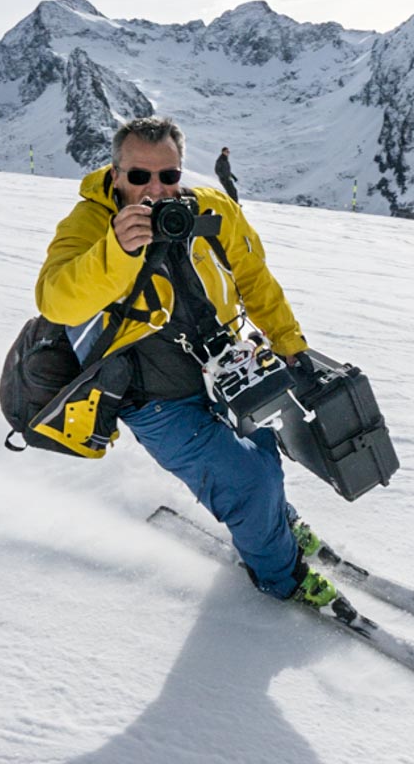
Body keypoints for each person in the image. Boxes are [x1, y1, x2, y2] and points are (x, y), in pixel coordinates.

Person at [35, 116, 335, 608]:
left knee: (266, 451)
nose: (155, 190)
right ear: (115, 175)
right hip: (152, 396)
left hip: (226, 370)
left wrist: (288, 342)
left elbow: (255, 278)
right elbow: (56, 300)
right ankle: (282, 577)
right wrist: (118, 249)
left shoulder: (212, 209)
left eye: (168, 176)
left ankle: (276, 521)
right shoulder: (89, 223)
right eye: (138, 177)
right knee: (248, 479)